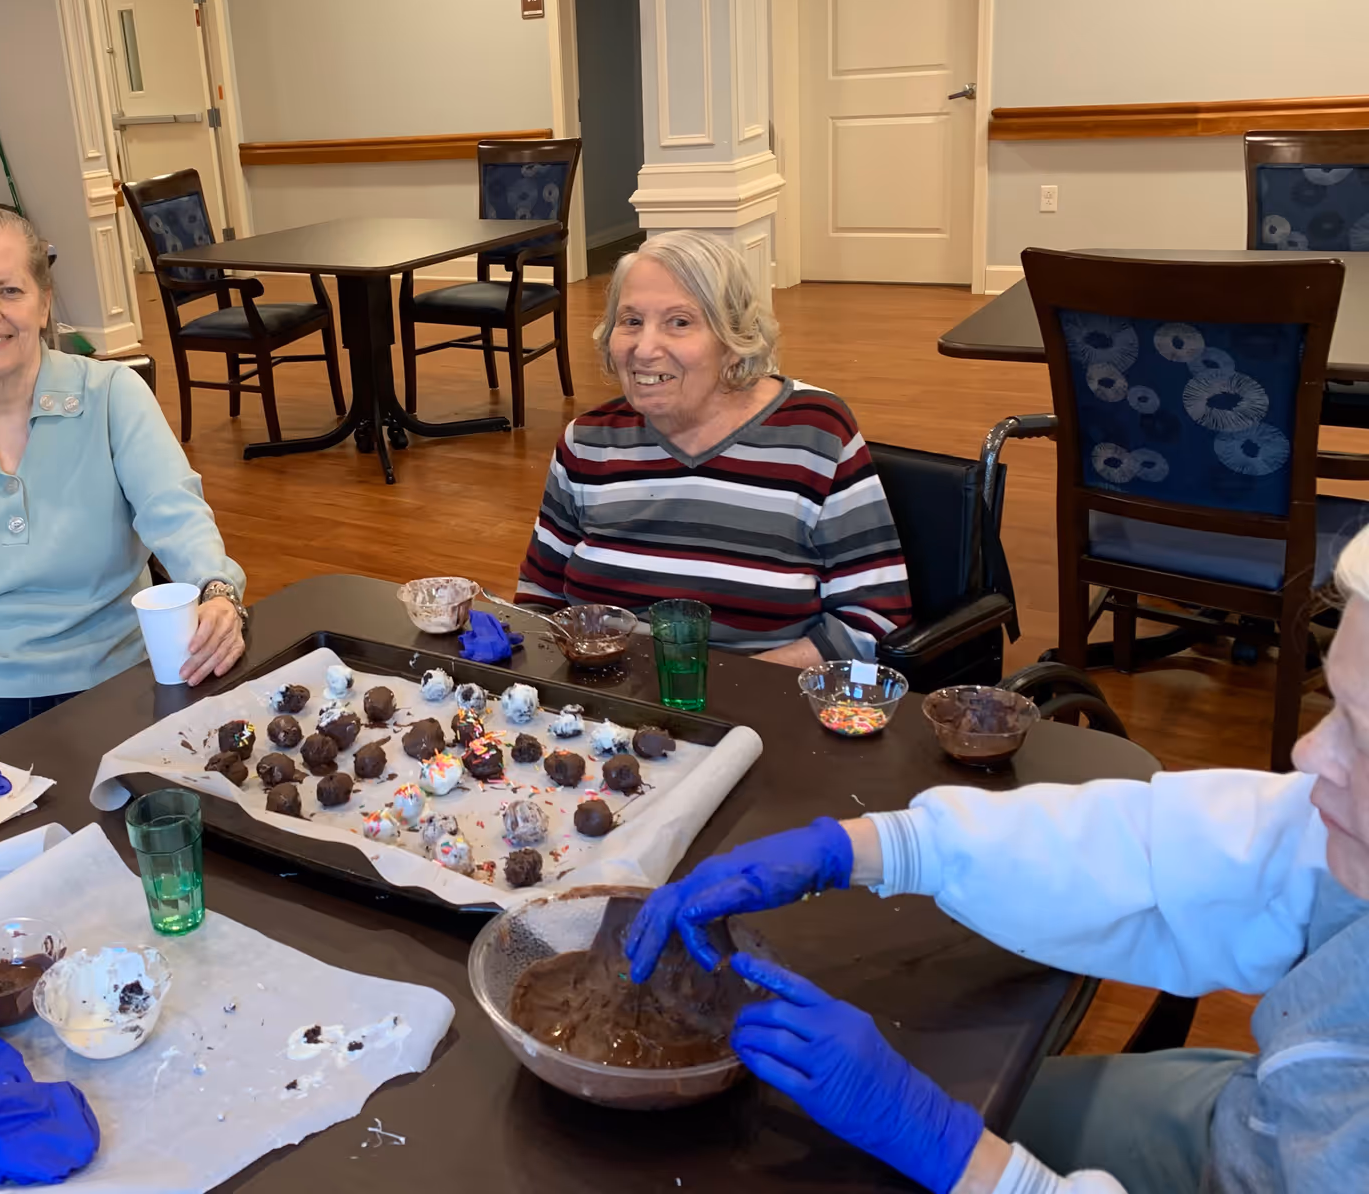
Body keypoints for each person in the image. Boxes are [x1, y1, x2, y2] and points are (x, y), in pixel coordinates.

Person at [624, 524, 1369, 1194]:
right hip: (1257, 1119)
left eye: (1361, 735)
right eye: (1330, 708)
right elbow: (1176, 849)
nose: (1309, 751)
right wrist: (866, 848)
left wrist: (961, 1157)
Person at [0, 204, 247, 787]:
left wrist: (217, 591)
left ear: (43, 301)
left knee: (174, 844)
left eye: (9, 290)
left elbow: (175, 513)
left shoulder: (111, 394)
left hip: (120, 683)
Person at [515, 229, 910, 667]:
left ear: (733, 339)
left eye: (679, 322)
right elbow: (540, 597)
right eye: (630, 321)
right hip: (604, 705)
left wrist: (723, 687)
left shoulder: (814, 433)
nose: (644, 349)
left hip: (761, 711)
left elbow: (872, 621)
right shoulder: (587, 443)